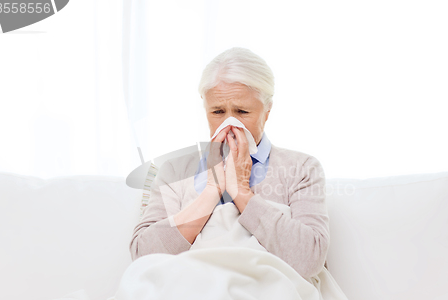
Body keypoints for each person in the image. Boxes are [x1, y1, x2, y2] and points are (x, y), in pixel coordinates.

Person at [129, 47, 329, 280]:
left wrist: (241, 191)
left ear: (267, 111)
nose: (230, 123)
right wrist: (211, 191)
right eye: (217, 111)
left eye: (242, 111)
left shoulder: (302, 168)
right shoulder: (175, 171)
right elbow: (143, 256)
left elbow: (310, 260)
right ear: (204, 108)